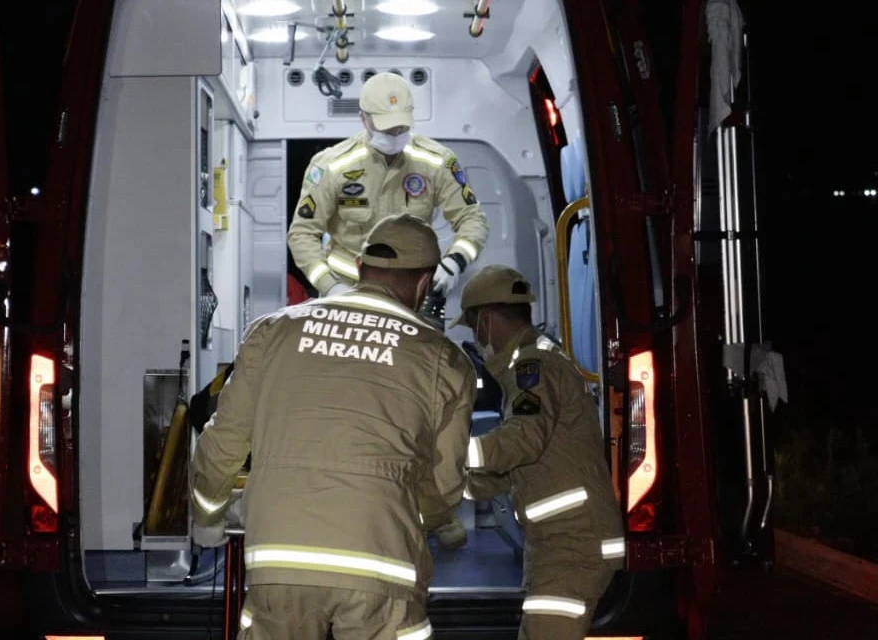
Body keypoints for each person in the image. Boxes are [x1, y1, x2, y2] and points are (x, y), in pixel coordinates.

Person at [190, 214, 478, 640]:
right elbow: (444, 484)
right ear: (424, 284)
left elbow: (221, 443)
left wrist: (208, 518)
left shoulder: (273, 331)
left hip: (279, 559)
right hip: (383, 563)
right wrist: (414, 519)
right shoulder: (444, 359)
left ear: (359, 269)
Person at [451, 265, 625, 640]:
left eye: (472, 328)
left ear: (484, 322)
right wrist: (455, 485)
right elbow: (523, 463)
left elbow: (524, 439)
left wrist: (449, 453)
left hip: (571, 545)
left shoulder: (533, 366)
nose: (477, 340)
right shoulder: (538, 362)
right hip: (562, 543)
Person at [287, 72, 489, 300]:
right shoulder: (332, 166)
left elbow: (472, 218)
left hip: (413, 294)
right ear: (363, 118)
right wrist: (330, 286)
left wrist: (456, 260)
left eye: (401, 127)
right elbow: (302, 234)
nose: (395, 134)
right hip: (348, 292)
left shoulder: (436, 161)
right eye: (386, 128)